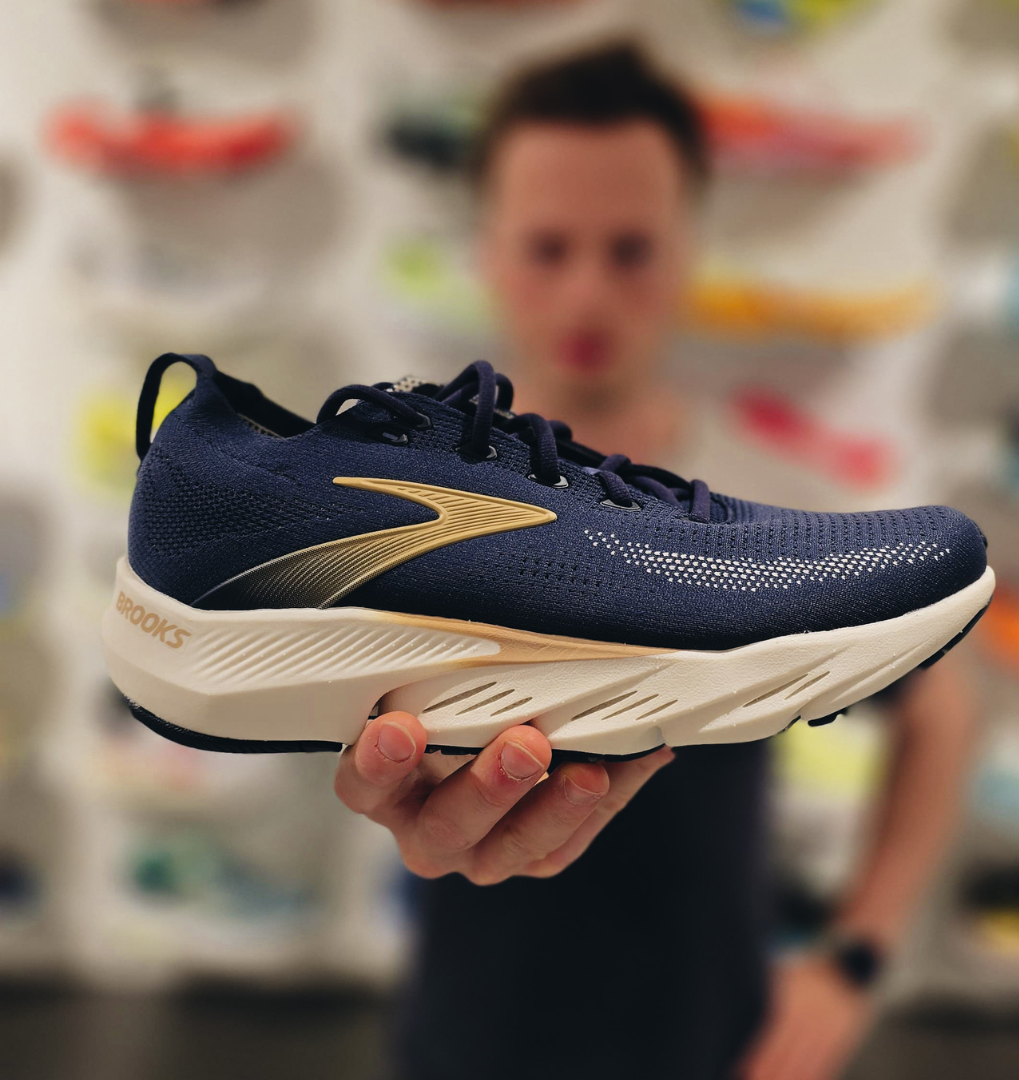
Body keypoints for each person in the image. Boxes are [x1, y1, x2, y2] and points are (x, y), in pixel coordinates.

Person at [333, 43, 979, 1080]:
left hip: (716, 1041)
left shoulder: (770, 499)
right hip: (467, 1038)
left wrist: (855, 959)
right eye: (549, 247)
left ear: (688, 250)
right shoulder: (408, 502)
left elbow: (938, 704)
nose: (588, 292)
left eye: (630, 249)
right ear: (489, 252)